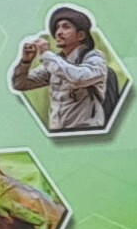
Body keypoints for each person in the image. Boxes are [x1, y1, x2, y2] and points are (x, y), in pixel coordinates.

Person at [10, 7, 129, 136]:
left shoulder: (94, 59)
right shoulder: (56, 62)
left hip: (88, 133)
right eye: (57, 28)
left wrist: (46, 53)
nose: (58, 32)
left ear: (80, 35)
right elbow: (20, 84)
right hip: (59, 133)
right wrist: (25, 62)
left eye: (66, 27)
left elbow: (78, 78)